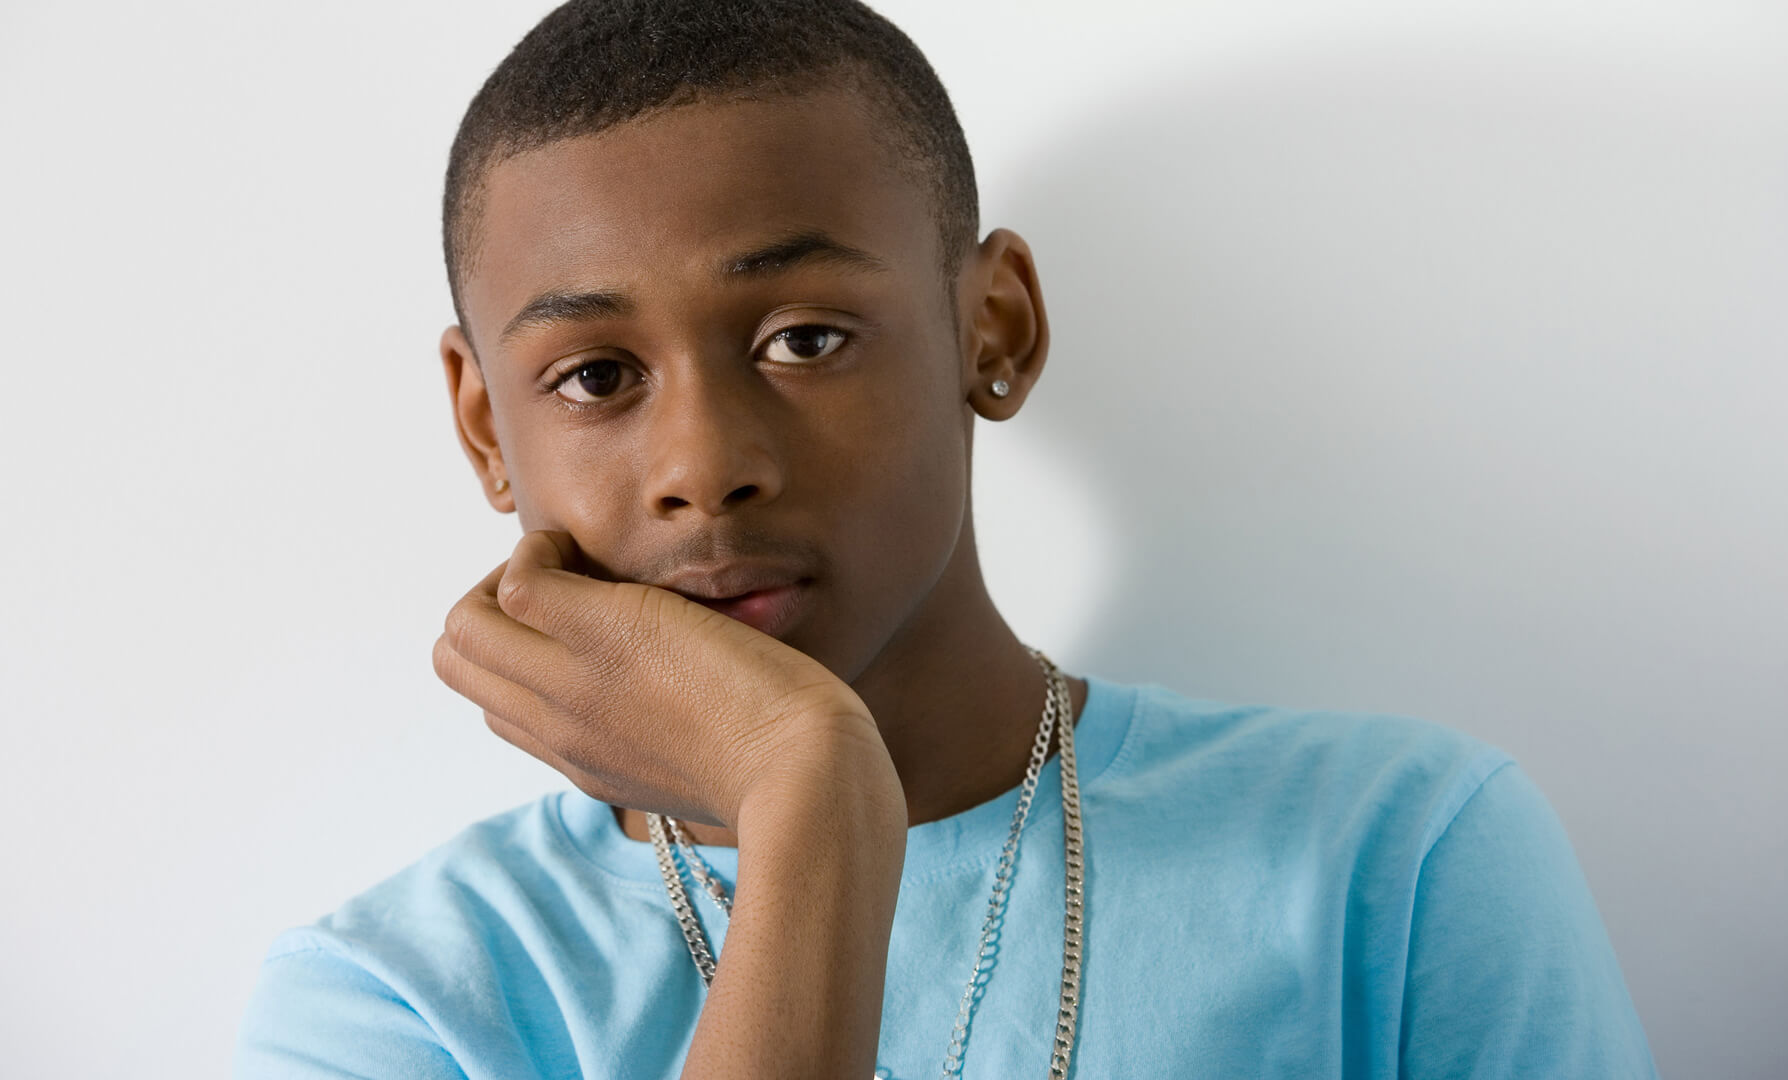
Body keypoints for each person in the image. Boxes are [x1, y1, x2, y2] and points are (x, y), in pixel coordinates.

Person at [233, 1, 1661, 1076]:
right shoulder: (398, 1007)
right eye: (596, 377)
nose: (706, 466)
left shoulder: (1395, 860)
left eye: (804, 337)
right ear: (487, 429)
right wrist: (809, 802)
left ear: (997, 329)